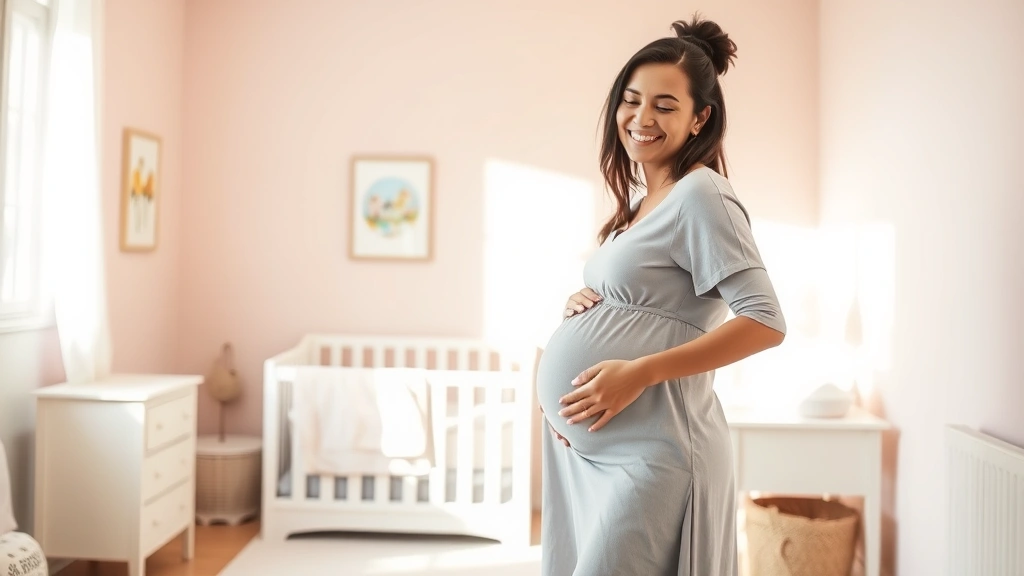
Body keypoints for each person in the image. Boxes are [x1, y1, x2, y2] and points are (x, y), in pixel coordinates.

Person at [534, 15, 787, 576]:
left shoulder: (702, 193)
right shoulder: (643, 204)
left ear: (701, 118)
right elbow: (654, 303)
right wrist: (589, 299)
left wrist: (638, 373)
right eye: (631, 100)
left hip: (655, 455)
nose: (641, 119)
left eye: (665, 106)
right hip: (597, 453)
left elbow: (766, 321)